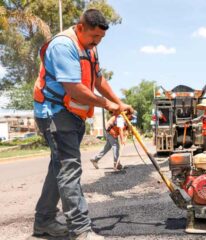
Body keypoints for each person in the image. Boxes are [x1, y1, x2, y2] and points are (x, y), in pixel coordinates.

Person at [32, 9, 133, 240]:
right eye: (93, 37)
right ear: (80, 28)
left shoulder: (91, 49)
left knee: (59, 168)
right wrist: (109, 106)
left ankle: (44, 221)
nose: (96, 42)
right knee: (69, 169)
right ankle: (80, 230)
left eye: (100, 38)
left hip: (72, 114)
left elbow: (98, 80)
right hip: (54, 112)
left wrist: (120, 103)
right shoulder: (63, 46)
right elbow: (74, 89)